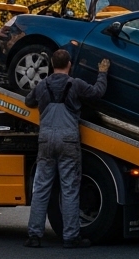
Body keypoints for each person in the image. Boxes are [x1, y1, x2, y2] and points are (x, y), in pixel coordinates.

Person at [24, 49, 108, 248]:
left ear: (53, 64)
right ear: (69, 64)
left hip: (46, 139)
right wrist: (103, 72)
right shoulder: (76, 84)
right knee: (69, 189)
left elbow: (28, 101)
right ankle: (70, 237)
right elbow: (98, 92)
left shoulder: (43, 85)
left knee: (41, 188)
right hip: (68, 140)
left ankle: (34, 235)